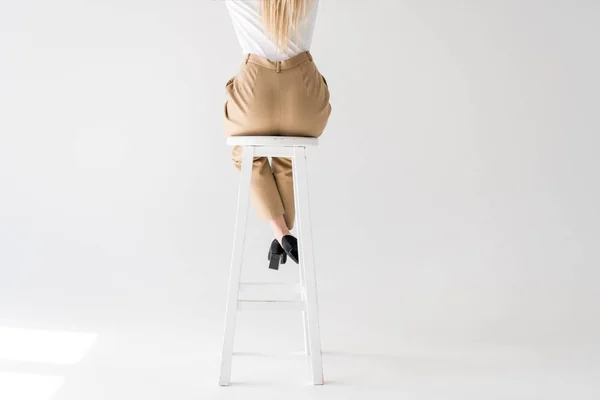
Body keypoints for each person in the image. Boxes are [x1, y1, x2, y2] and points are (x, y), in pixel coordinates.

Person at [223, 0, 331, 270]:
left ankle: (279, 230)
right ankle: (283, 235)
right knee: (290, 155)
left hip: (255, 94)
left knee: (243, 154)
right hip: (304, 96)